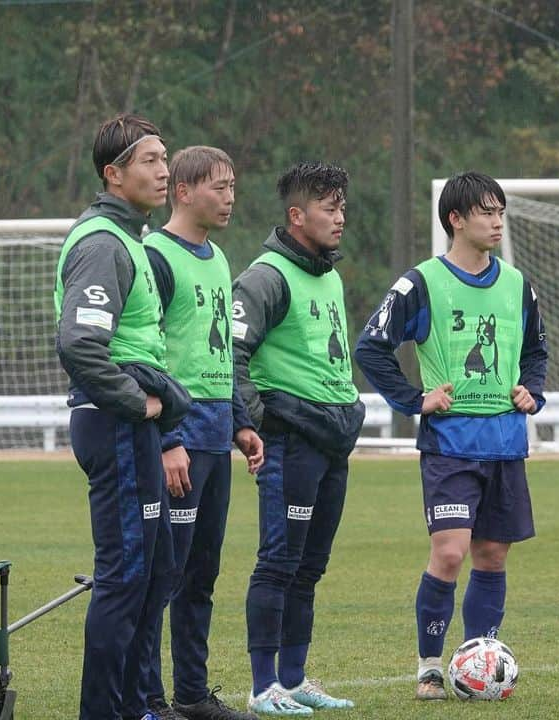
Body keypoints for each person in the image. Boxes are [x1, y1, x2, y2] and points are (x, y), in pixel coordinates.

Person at [354, 171, 548, 701]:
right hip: (450, 446)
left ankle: (479, 660)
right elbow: (371, 346)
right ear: (455, 220)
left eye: (501, 211)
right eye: (487, 211)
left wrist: (532, 390)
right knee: (450, 553)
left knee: (492, 557)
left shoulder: (517, 284)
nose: (497, 221)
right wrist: (414, 400)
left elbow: (535, 352)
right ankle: (429, 666)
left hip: (506, 445)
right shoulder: (420, 283)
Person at [55, 112, 191, 720]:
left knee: (154, 570)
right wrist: (139, 403)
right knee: (126, 575)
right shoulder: (103, 243)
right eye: (150, 161)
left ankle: (141, 707)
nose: (164, 171)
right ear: (114, 174)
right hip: (114, 422)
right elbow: (80, 345)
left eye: (165, 159)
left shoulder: (130, 239)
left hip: (133, 426)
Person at [233, 161, 365, 715]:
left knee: (310, 565)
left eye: (342, 208)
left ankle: (294, 676)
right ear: (297, 214)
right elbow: (231, 355)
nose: (339, 219)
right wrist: (254, 422)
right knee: (279, 561)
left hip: (331, 443)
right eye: (328, 208)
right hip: (290, 443)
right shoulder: (265, 277)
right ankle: (263, 685)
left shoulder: (328, 274)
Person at [141, 146, 264, 720]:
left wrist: (241, 421)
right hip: (179, 438)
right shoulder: (155, 256)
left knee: (202, 573)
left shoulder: (218, 258)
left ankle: (192, 694)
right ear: (183, 191)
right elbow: (146, 352)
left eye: (234, 186)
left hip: (216, 434)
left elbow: (219, 352)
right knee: (163, 572)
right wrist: (168, 440)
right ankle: (148, 699)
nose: (230, 197)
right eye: (219, 186)